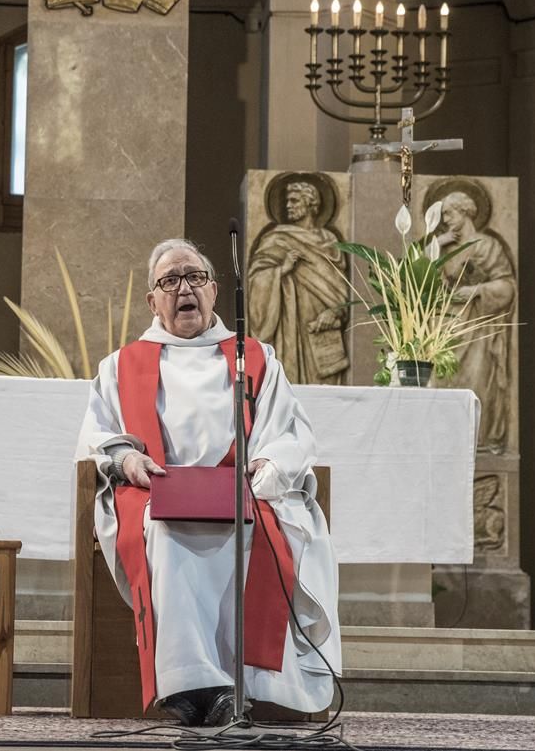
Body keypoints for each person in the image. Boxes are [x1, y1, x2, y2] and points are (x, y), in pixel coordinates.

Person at [77, 238, 340, 726]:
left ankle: (240, 686)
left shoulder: (255, 357)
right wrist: (127, 458)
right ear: (152, 300)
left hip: (242, 494)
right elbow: (98, 437)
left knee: (253, 528)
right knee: (167, 529)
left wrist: (267, 463)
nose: (184, 289)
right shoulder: (121, 366)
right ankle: (195, 685)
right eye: (170, 280)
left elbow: (290, 432)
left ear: (215, 291)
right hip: (156, 496)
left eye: (194, 277)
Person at [434, 191, 516, 452]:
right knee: (443, 383)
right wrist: (436, 245)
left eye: (449, 212)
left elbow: (506, 286)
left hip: (478, 328)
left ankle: (477, 443)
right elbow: (421, 281)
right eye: (443, 214)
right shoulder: (443, 247)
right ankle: (446, 442)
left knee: (477, 382)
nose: (445, 219)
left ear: (466, 212)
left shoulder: (487, 246)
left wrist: (476, 291)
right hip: (447, 329)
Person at [248, 181, 349, 385]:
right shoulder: (276, 238)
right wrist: (281, 271)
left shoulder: (331, 242)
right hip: (289, 327)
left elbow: (341, 290)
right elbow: (256, 279)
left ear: (311, 203)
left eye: (294, 201)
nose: (288, 206)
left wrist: (335, 312)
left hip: (323, 334)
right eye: (286, 201)